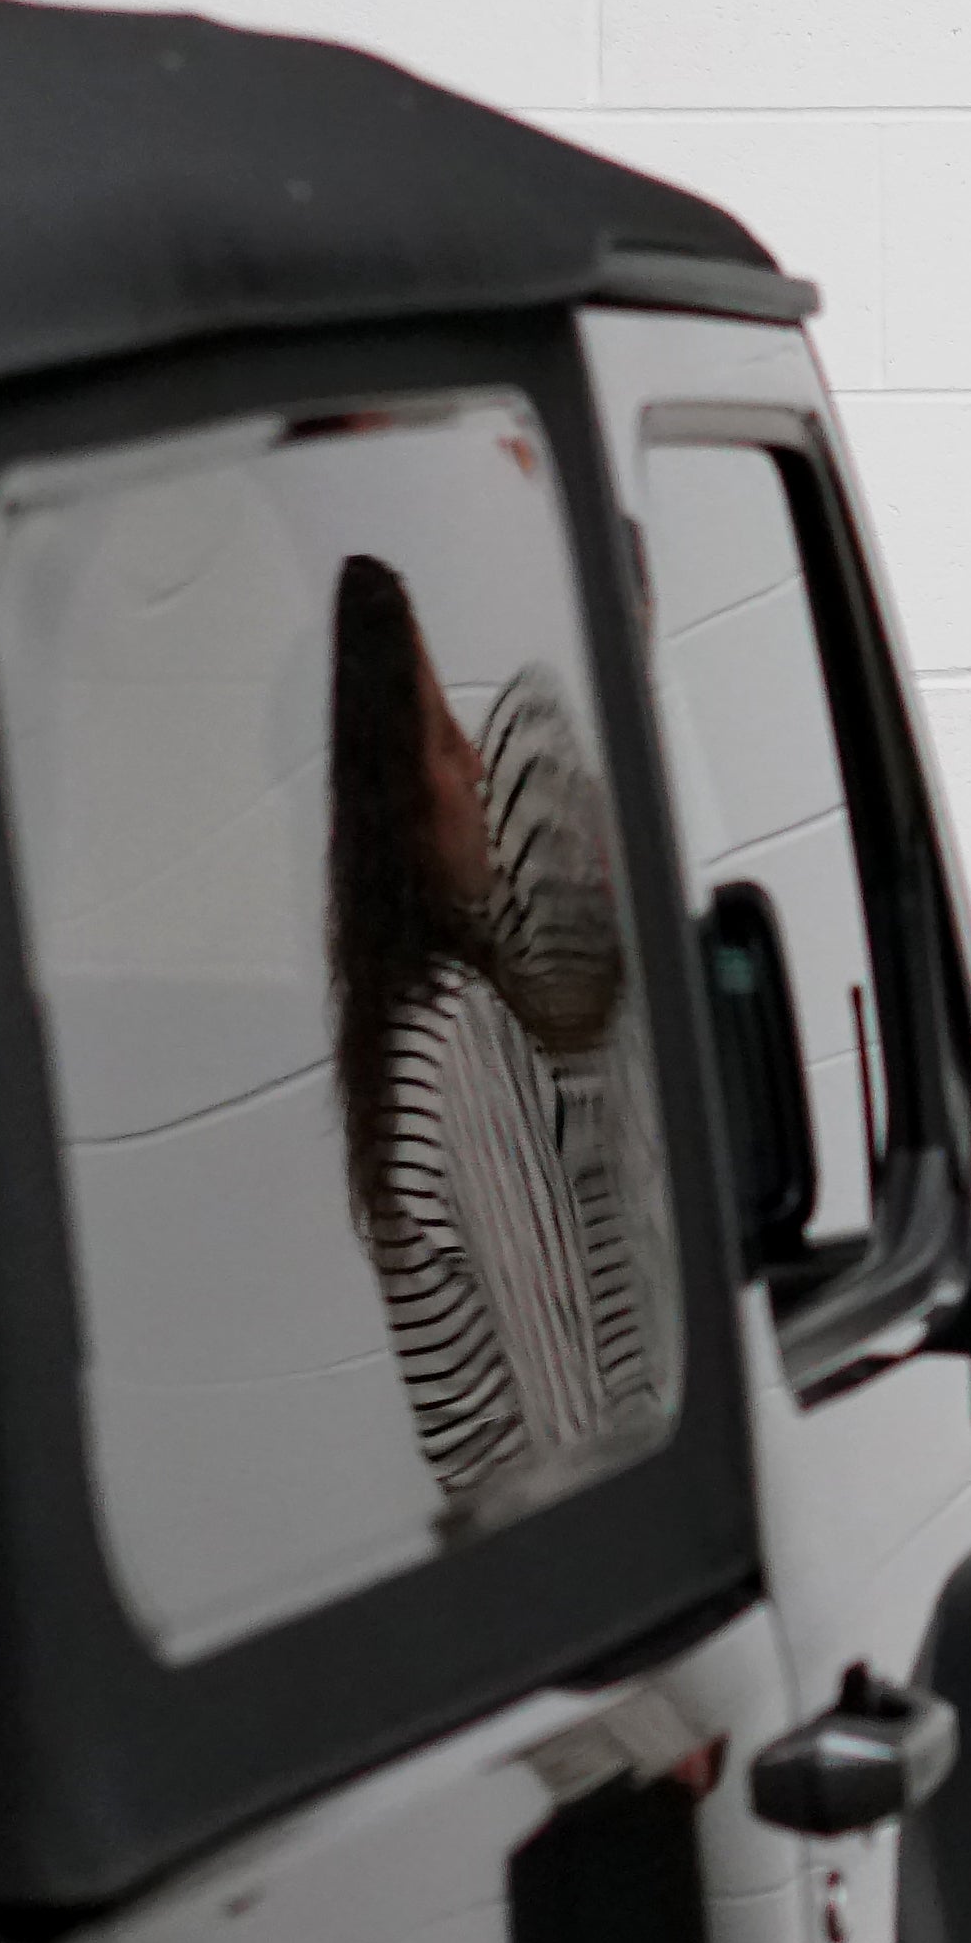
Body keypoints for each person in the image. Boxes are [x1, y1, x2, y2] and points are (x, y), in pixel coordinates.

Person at [324, 553, 663, 1523]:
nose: (473, 766)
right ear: (401, 803)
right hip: (581, 1598)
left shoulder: (418, 1028)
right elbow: (577, 1424)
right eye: (442, 740)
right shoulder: (457, 1033)